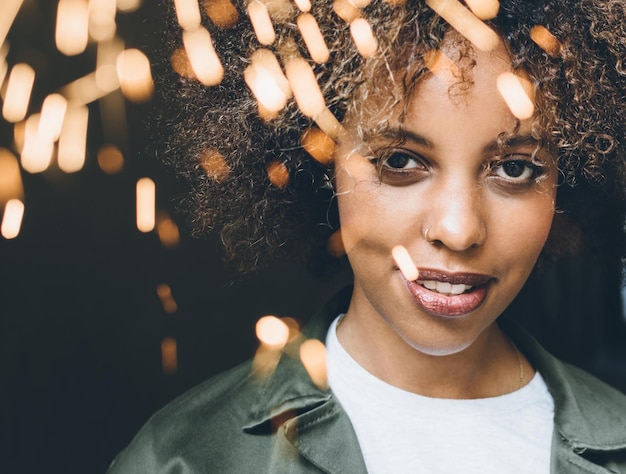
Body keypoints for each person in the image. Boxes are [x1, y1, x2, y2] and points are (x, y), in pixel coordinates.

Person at [108, 0, 626, 472]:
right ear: (317, 160)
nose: (459, 229)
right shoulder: (183, 459)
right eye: (400, 162)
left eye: (514, 169)